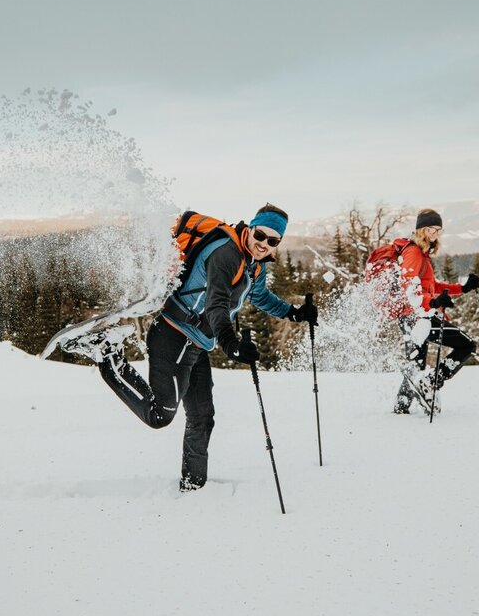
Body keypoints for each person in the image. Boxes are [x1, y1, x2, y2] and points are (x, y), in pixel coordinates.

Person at [68, 203, 317, 492]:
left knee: (202, 417)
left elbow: (259, 295)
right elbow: (217, 305)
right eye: (260, 235)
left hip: (197, 343)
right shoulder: (226, 255)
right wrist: (231, 345)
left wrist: (294, 313)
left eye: (272, 241)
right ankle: (108, 353)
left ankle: (193, 487)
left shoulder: (254, 264)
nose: (264, 244)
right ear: (250, 229)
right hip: (173, 337)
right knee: (160, 415)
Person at [390, 208, 479, 415]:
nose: (435, 235)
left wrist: (461, 288)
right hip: (418, 317)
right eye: (431, 230)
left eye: (439, 230)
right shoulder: (413, 253)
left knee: (415, 365)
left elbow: (432, 286)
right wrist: (432, 302)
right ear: (421, 230)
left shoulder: (421, 254)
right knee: (466, 345)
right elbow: (409, 291)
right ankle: (431, 382)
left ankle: (401, 409)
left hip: (413, 316)